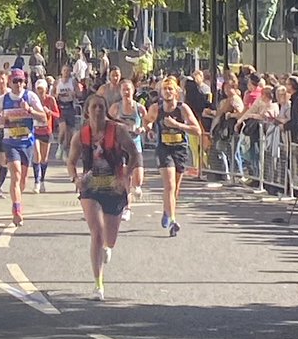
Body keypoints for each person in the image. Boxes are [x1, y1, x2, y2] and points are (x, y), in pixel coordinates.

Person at [67, 92, 139, 301]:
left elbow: (134, 154)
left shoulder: (118, 131)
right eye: (93, 107)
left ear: (105, 110)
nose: (97, 111)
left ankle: (108, 247)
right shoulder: (81, 135)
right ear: (87, 111)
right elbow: (71, 162)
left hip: (114, 186)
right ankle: (98, 285)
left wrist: (125, 175)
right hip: (91, 185)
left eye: (101, 107)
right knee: (96, 232)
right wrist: (75, 179)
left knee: (110, 238)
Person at [145, 77, 200, 236]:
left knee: (175, 188)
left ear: (176, 92)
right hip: (164, 148)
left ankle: (167, 210)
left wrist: (177, 125)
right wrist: (149, 128)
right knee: (169, 185)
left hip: (180, 149)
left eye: (170, 89)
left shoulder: (183, 109)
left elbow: (197, 130)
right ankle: (173, 220)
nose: (167, 92)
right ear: (161, 92)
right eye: (165, 89)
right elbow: (147, 120)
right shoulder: (156, 108)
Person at [0, 68, 46, 227]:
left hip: (27, 143)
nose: (18, 84)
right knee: (16, 174)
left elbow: (44, 118)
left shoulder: (30, 96)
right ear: (10, 82)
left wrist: (30, 110)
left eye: (21, 81)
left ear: (24, 82)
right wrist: (0, 119)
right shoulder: (4, 99)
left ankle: (17, 198)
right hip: (10, 143)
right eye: (15, 81)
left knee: (23, 181)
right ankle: (17, 210)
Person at [108, 77, 146, 220]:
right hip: (121, 145)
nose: (126, 92)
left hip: (135, 146)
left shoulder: (139, 108)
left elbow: (147, 123)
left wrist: (142, 129)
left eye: (128, 89)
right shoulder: (116, 107)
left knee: (138, 179)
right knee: (125, 176)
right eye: (123, 90)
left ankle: (137, 187)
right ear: (120, 92)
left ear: (133, 91)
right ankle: (127, 207)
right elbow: (107, 122)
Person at [32, 78, 59, 192]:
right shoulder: (32, 100)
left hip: (47, 131)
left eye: (42, 89)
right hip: (35, 131)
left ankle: (42, 180)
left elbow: (57, 114)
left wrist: (49, 112)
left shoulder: (50, 99)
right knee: (36, 155)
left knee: (44, 158)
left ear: (46, 89)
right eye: (38, 89)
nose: (40, 91)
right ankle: (36, 182)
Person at [54, 64, 78, 159]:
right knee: (62, 129)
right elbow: (52, 93)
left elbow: (79, 93)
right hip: (60, 107)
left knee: (69, 132)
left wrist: (74, 94)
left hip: (70, 106)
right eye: (64, 70)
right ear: (61, 72)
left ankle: (64, 149)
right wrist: (56, 95)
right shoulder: (57, 82)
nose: (66, 73)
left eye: (68, 71)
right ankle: (59, 146)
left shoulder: (73, 82)